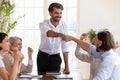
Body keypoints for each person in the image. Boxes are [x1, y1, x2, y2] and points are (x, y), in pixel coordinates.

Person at [37, 2, 70, 74]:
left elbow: (65, 47)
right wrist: (62, 35)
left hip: (55, 57)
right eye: (56, 13)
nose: (59, 15)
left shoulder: (64, 25)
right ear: (50, 13)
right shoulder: (43, 24)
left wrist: (67, 66)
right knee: (42, 78)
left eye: (60, 13)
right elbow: (49, 33)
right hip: (43, 56)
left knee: (55, 78)